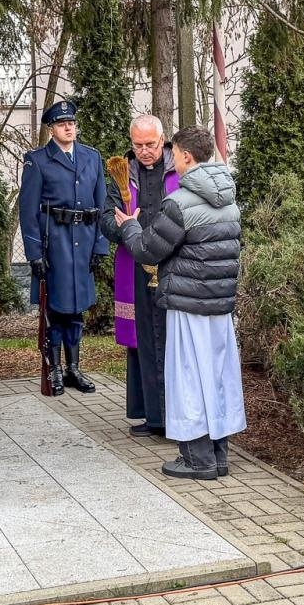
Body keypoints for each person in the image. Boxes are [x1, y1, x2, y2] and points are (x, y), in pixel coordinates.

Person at [114, 125, 244, 480]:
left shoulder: (181, 203)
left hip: (188, 304)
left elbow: (147, 250)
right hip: (219, 306)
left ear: (185, 156)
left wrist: (129, 226)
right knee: (217, 379)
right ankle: (219, 456)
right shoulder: (230, 199)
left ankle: (197, 459)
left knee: (189, 381)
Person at [18, 99, 109, 396]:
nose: (69, 127)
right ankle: (54, 368)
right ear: (51, 129)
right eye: (61, 124)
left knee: (77, 308)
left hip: (83, 243)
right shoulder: (38, 160)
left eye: (71, 123)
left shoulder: (91, 157)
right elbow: (28, 212)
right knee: (55, 310)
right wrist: (34, 254)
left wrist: (100, 245)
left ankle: (73, 369)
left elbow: (101, 204)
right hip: (54, 244)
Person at [100, 114, 177, 437]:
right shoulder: (122, 175)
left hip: (171, 264)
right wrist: (121, 226)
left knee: (172, 338)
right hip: (135, 266)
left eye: (151, 145)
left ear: (163, 141)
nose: (145, 151)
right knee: (143, 339)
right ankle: (150, 414)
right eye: (138, 145)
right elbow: (105, 219)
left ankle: (175, 414)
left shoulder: (178, 170)